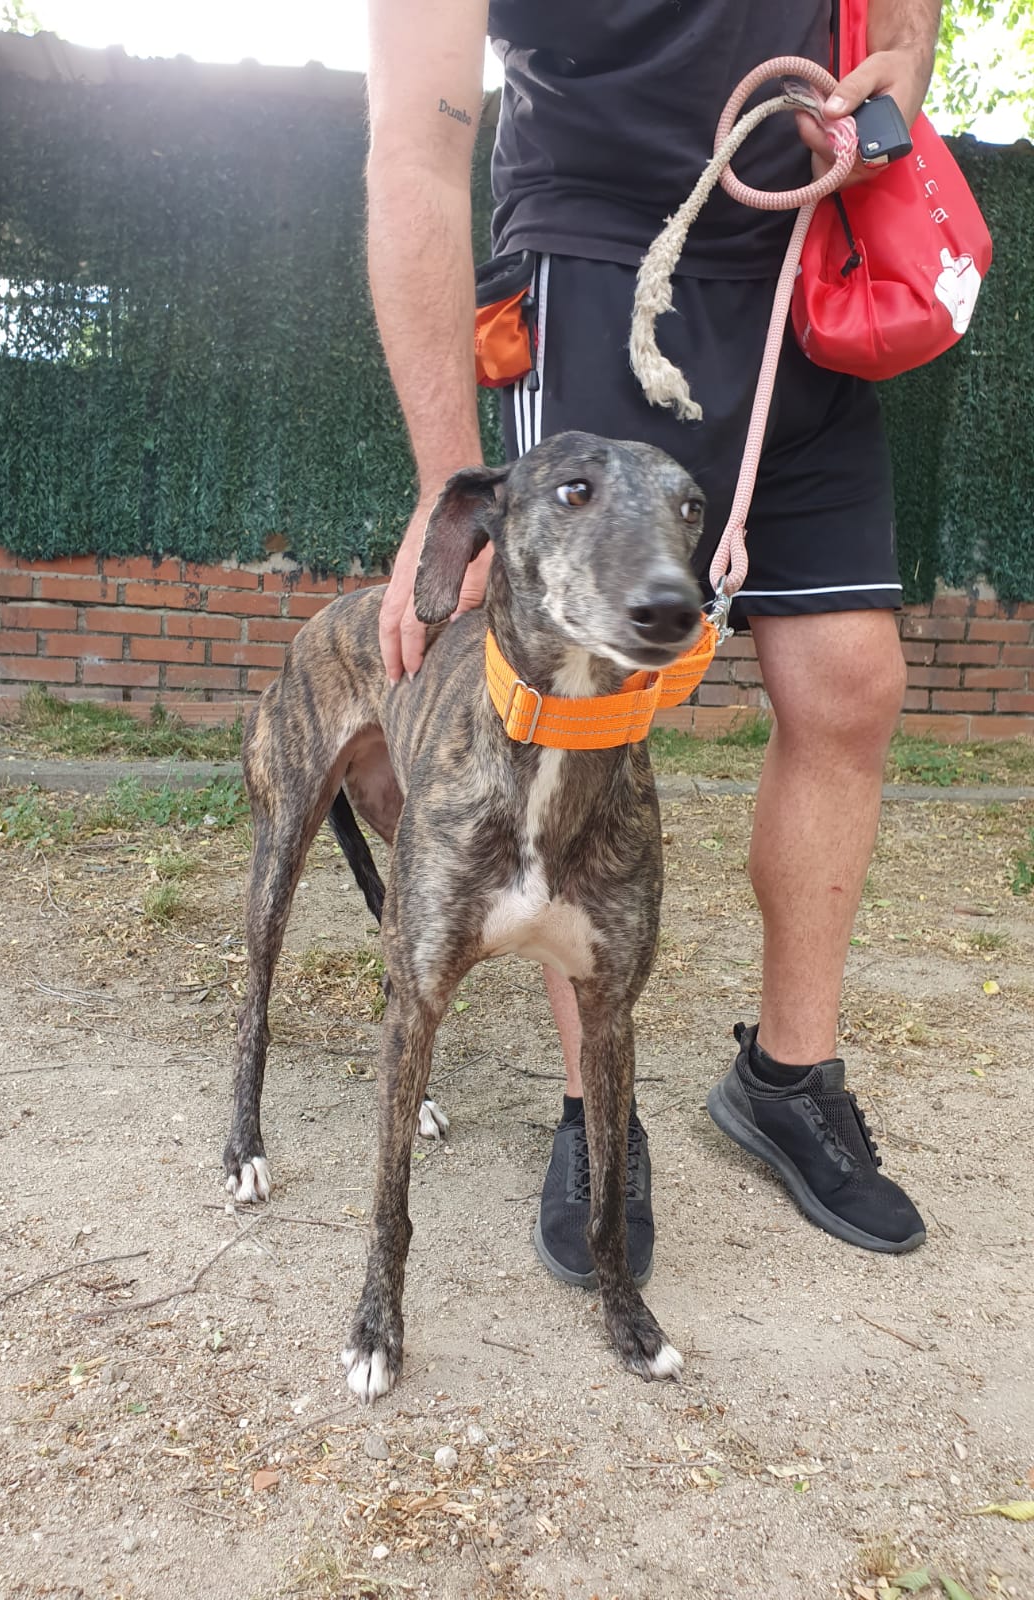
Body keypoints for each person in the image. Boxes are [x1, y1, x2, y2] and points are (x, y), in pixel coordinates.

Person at [364, 0, 932, 1285]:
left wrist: (905, 58)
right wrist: (458, 488)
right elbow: (415, 146)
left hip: (803, 267)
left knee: (852, 680)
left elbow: (905, 20)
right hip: (596, 256)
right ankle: (597, 1110)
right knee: (585, 697)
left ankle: (786, 1079)